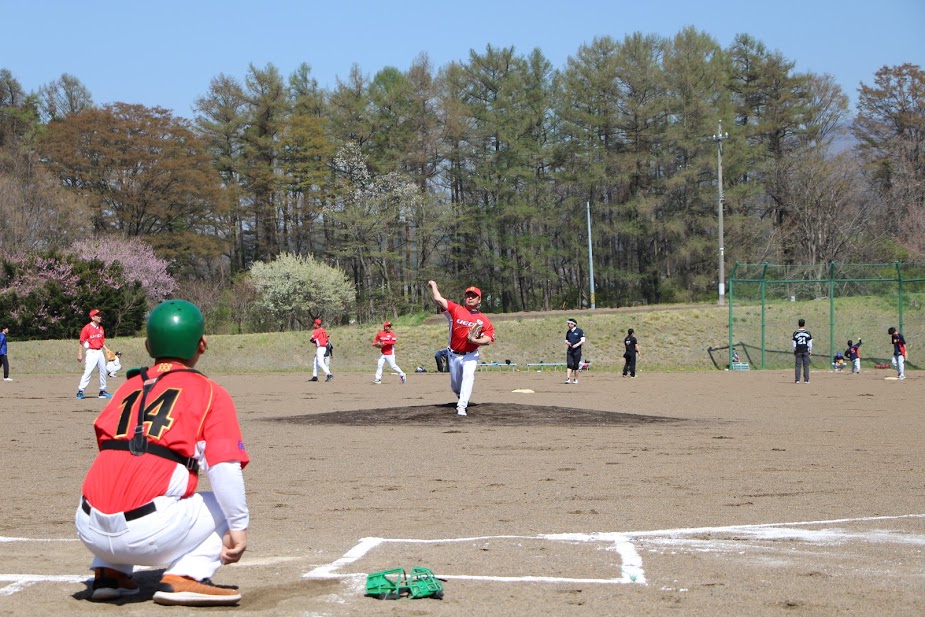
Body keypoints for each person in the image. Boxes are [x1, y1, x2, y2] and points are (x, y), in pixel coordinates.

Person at [74, 299, 249, 607]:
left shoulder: (128, 387)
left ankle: (110, 573)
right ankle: (186, 577)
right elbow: (224, 468)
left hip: (89, 527)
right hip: (149, 533)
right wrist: (239, 528)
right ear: (202, 344)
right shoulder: (210, 391)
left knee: (120, 474)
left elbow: (105, 441)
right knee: (225, 505)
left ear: (147, 344)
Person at [427, 280, 495, 417]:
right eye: (467, 295)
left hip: (471, 354)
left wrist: (475, 340)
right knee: (455, 385)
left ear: (479, 299)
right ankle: (461, 395)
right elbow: (438, 299)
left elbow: (488, 339)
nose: (470, 298)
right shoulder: (456, 309)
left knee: (468, 376)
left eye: (473, 295)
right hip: (453, 354)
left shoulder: (484, 320)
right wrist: (434, 285)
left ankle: (462, 406)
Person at [77, 309, 112, 399]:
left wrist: (106, 349)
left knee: (103, 371)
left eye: (100, 315)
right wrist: (80, 354)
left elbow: (101, 341)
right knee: (88, 371)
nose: (100, 317)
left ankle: (102, 391)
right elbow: (81, 341)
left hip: (99, 351)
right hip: (91, 352)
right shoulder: (87, 328)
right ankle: (80, 391)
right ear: (92, 317)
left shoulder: (101, 328)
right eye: (97, 315)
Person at [309, 318, 333, 382]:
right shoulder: (323, 330)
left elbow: (311, 339)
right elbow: (327, 340)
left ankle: (329, 374)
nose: (313, 324)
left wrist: (315, 341)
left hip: (320, 348)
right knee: (315, 362)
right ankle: (315, 376)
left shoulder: (317, 330)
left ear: (316, 324)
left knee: (320, 362)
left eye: (314, 323)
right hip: (324, 347)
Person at [564, 318, 585, 384]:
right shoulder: (568, 332)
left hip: (577, 351)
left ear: (573, 324)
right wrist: (567, 342)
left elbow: (583, 340)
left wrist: (577, 344)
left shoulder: (579, 331)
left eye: (569, 323)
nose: (568, 325)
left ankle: (575, 379)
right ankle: (567, 378)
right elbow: (566, 339)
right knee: (569, 364)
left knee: (576, 365)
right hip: (570, 351)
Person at [792, 318, 812, 384]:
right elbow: (809, 342)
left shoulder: (795, 333)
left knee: (798, 365)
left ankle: (797, 380)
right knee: (806, 365)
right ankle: (806, 380)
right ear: (804, 324)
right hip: (805, 350)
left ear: (798, 324)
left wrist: (794, 349)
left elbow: (794, 343)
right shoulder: (808, 333)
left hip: (798, 350)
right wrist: (810, 350)